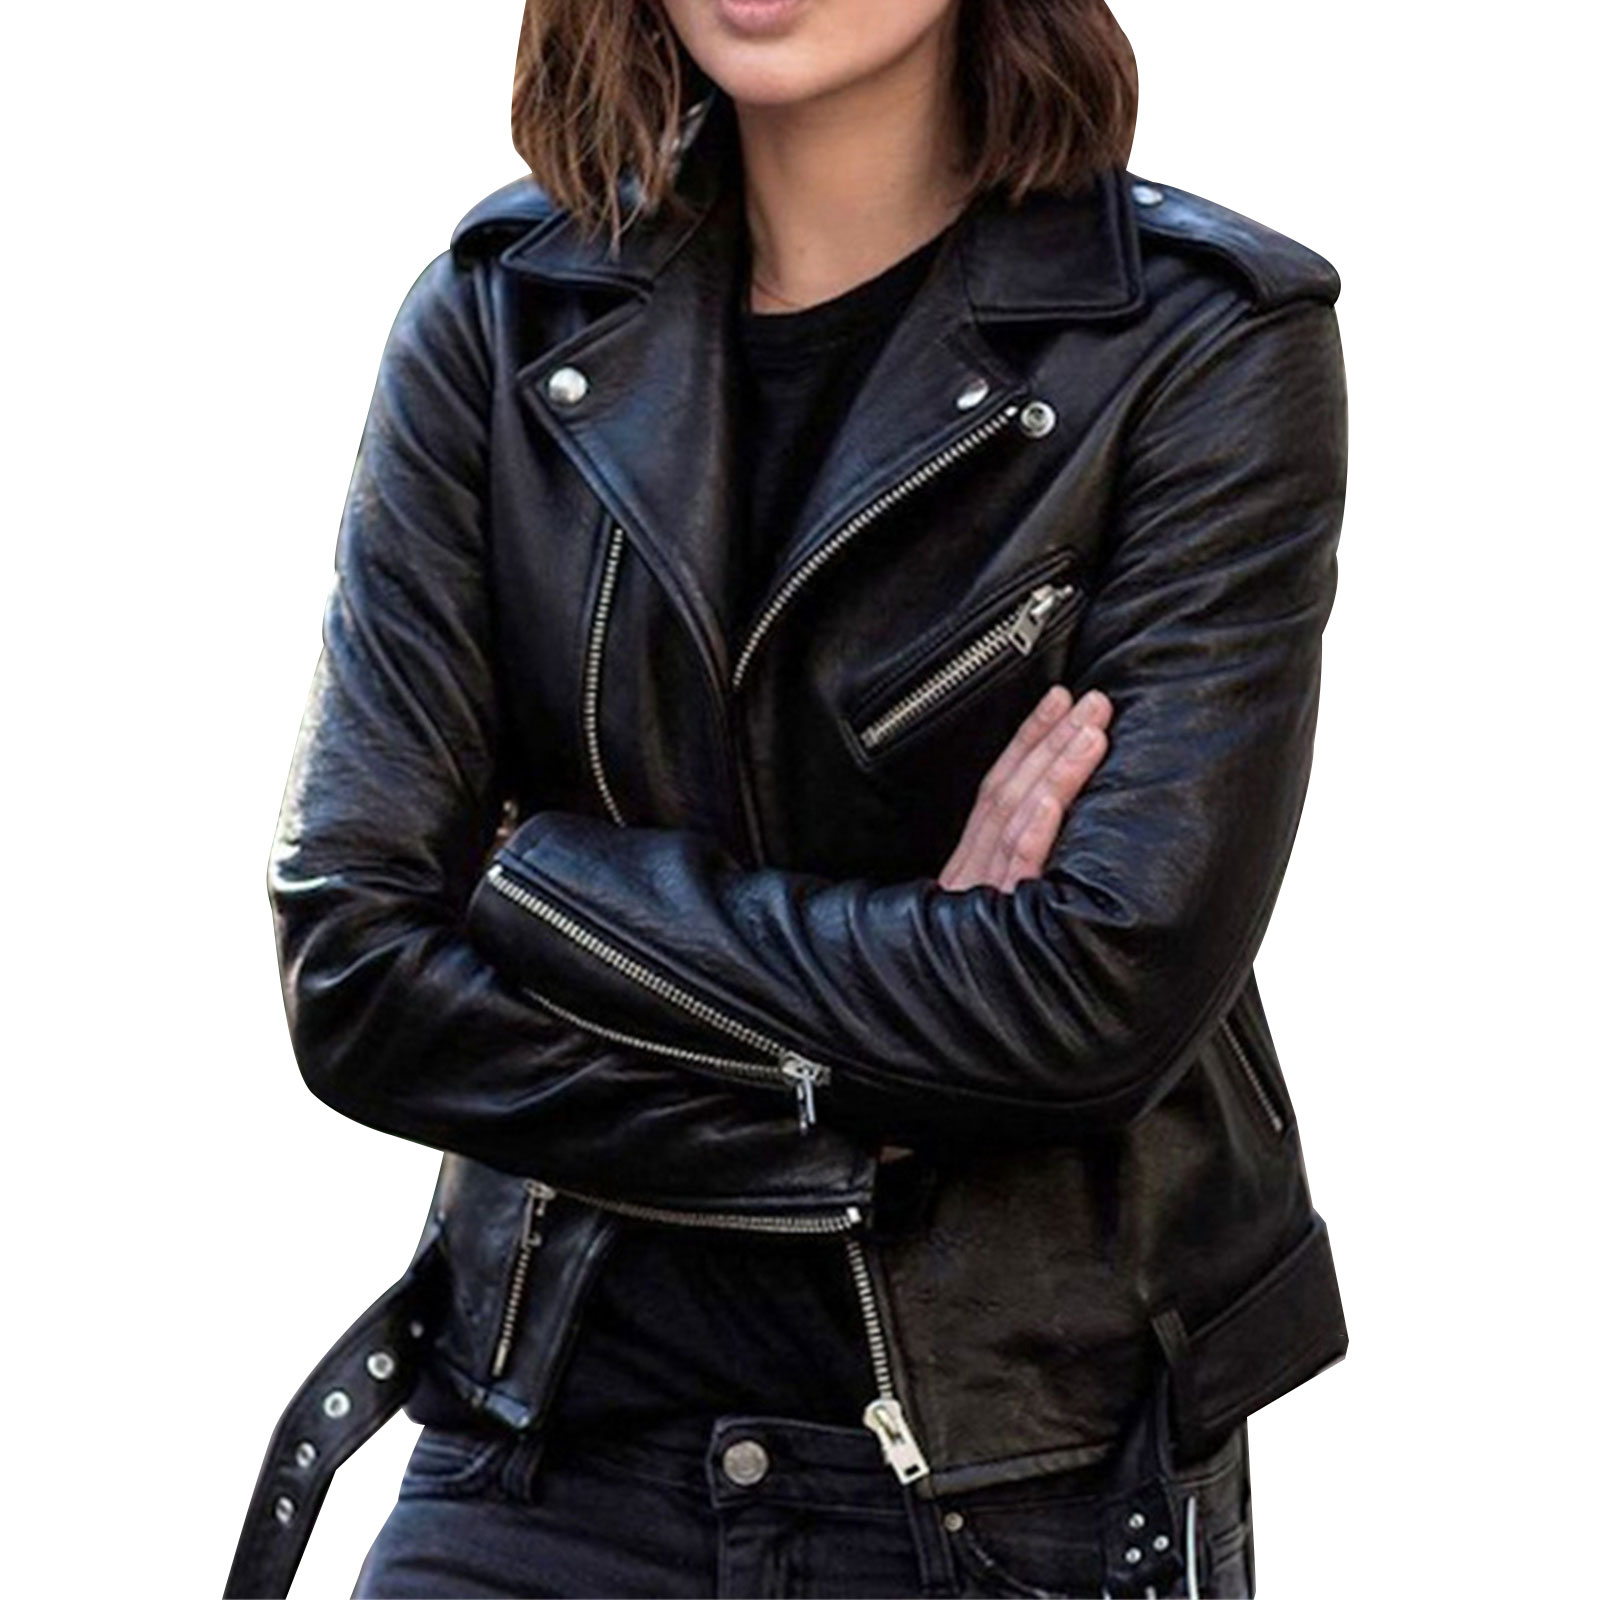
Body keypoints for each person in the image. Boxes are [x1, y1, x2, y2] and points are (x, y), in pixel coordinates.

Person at [224, 2, 1350, 1596]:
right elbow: (355, 965)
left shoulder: (1201, 340)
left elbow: (1093, 998)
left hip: (1009, 1494)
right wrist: (875, 1101)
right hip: (541, 1454)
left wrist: (543, 888)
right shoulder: (502, 316)